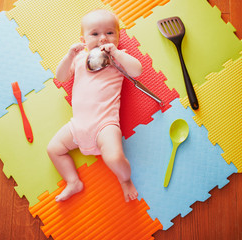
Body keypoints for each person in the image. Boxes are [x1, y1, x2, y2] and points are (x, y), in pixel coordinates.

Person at [47, 9, 142, 202]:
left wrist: (116, 53)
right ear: (83, 39)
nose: (103, 38)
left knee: (114, 157)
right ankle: (73, 181)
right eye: (95, 34)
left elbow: (137, 71)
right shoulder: (80, 58)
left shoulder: (118, 58)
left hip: (105, 125)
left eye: (109, 33)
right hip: (78, 126)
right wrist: (69, 57)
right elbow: (61, 76)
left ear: (118, 36)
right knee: (53, 148)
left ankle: (125, 180)